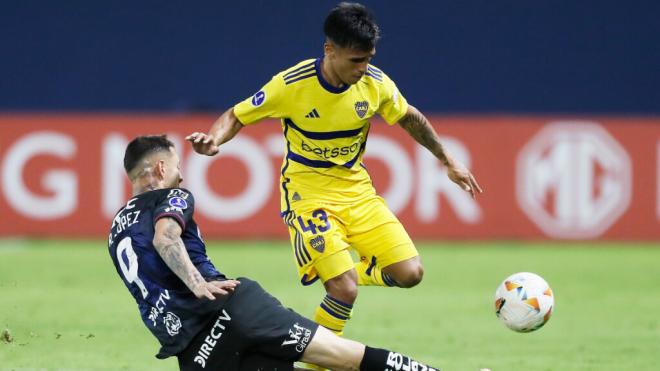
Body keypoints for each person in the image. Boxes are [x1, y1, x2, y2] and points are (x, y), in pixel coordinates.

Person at [187, 1, 481, 344]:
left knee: (410, 273)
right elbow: (237, 115)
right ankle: (317, 363)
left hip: (357, 192)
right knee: (343, 290)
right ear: (330, 50)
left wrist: (447, 160)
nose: (364, 67)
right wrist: (214, 139)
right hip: (308, 197)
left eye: (369, 58)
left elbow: (409, 118)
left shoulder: (375, 84)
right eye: (357, 60)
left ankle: (346, 272)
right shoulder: (291, 85)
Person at [108, 135, 443, 371]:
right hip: (229, 310)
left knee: (340, 359)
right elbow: (165, 238)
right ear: (161, 169)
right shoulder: (174, 197)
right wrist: (197, 284)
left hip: (193, 345)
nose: (181, 174)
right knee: (346, 358)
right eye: (177, 165)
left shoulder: (115, 230)